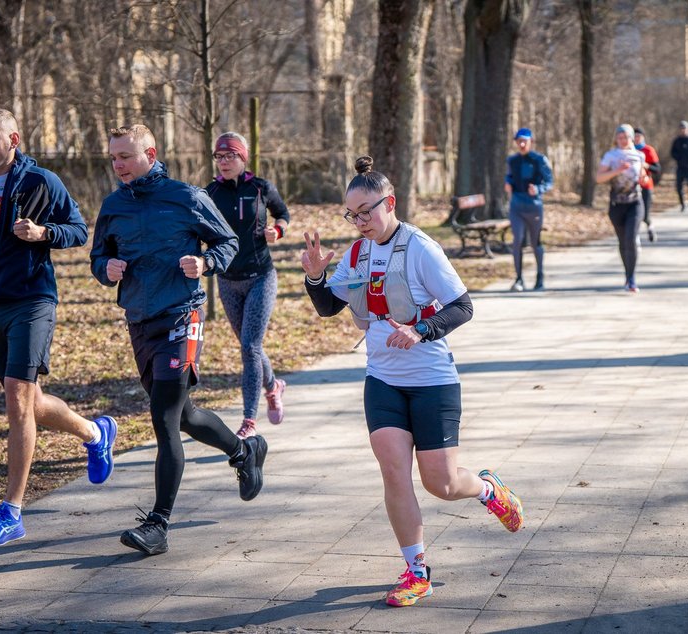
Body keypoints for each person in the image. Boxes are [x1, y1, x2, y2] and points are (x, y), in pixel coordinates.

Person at [300, 156, 523, 607]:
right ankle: (416, 570)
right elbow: (328, 306)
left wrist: (419, 330)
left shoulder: (420, 247)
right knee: (394, 472)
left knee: (440, 485)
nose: (359, 222)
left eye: (367, 212)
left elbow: (462, 306)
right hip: (382, 378)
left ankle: (486, 488)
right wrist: (314, 274)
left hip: (432, 380)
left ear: (390, 203)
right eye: (352, 214)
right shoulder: (357, 254)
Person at [90, 124, 267, 556]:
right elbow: (98, 255)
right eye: (113, 158)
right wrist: (106, 267)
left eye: (126, 157)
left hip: (182, 316)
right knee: (183, 414)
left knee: (163, 418)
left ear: (150, 154)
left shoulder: (187, 197)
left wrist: (205, 262)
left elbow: (228, 241)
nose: (118, 165)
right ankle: (243, 451)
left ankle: (158, 525)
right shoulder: (113, 204)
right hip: (140, 320)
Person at [0, 108, 117, 547]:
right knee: (29, 400)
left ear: (14, 138)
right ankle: (94, 432)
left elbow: (78, 231)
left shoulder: (40, 181)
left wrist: (43, 232)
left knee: (17, 399)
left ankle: (11, 512)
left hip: (33, 299)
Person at [205, 132, 290, 439]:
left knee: (250, 347)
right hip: (228, 282)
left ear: (243, 158)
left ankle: (249, 421)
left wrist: (277, 230)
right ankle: (273, 386)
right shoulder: (210, 192)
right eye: (219, 156)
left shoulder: (261, 187)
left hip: (261, 277)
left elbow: (283, 213)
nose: (225, 162)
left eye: (231, 156)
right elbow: (197, 227)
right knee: (250, 347)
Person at [597, 124, 646, 292]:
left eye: (626, 137)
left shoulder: (639, 156)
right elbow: (599, 177)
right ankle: (627, 275)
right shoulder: (610, 156)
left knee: (631, 239)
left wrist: (644, 179)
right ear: (616, 139)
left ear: (632, 138)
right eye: (620, 137)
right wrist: (617, 170)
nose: (623, 140)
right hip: (617, 204)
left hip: (635, 202)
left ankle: (632, 279)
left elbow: (643, 177)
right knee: (623, 241)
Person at [504, 127, 553, 291]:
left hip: (534, 206)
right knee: (517, 240)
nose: (522, 144)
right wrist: (508, 184)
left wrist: (538, 189)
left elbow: (549, 182)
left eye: (525, 141)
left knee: (535, 242)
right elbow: (509, 176)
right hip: (517, 206)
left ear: (531, 142)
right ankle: (519, 279)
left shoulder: (539, 159)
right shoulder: (512, 160)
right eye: (519, 141)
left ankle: (540, 277)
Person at [633, 128, 661, 242]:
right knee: (634, 215)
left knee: (644, 213)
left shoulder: (648, 150)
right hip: (632, 187)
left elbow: (658, 169)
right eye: (634, 136)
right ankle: (634, 237)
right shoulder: (628, 151)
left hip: (646, 186)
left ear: (643, 137)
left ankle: (650, 227)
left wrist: (647, 166)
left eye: (639, 136)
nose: (636, 138)